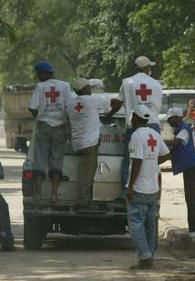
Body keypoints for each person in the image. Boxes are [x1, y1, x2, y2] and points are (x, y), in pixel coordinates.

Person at [108, 56, 163, 189]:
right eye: (149, 66)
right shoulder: (156, 84)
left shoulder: (127, 83)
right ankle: (151, 189)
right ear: (146, 68)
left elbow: (118, 104)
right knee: (152, 159)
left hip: (135, 125)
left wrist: (109, 115)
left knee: (130, 160)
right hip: (153, 125)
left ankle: (127, 191)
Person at [127, 106, 170, 269]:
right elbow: (166, 154)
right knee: (150, 223)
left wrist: (130, 186)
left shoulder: (136, 136)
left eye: (132, 118)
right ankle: (150, 255)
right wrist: (152, 164)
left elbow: (137, 162)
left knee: (136, 223)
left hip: (140, 187)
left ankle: (144, 256)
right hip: (154, 187)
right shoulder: (155, 135)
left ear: (136, 119)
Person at [28, 62, 72, 202]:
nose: (38, 77)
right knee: (56, 160)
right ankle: (54, 194)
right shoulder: (65, 86)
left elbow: (33, 107)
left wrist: (39, 116)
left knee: (39, 160)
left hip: (44, 125)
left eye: (39, 74)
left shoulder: (41, 86)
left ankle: (38, 194)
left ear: (44, 73)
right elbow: (69, 107)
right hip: (60, 126)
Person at [66, 78, 110, 205]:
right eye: (89, 87)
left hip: (77, 143)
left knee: (84, 170)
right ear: (85, 89)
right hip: (90, 144)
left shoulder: (70, 104)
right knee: (87, 173)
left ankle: (85, 197)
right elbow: (112, 102)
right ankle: (82, 199)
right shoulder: (92, 100)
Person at [167, 108, 195, 237]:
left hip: (193, 167)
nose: (169, 121)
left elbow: (176, 143)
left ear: (178, 117)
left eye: (170, 118)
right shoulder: (181, 129)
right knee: (189, 198)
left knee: (193, 198)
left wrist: (160, 143)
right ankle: (193, 228)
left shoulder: (184, 130)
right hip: (190, 167)